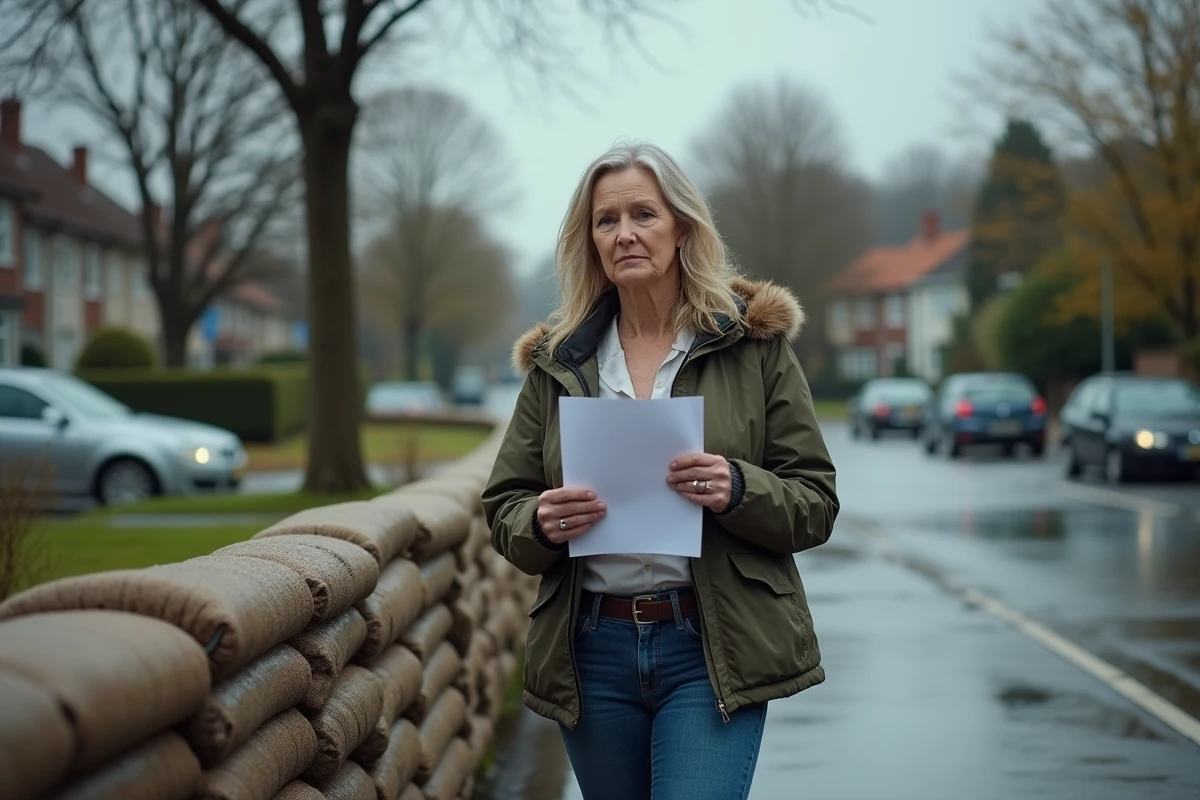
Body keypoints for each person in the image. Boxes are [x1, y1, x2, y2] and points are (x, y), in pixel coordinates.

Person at [482, 140, 838, 800]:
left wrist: (738, 488)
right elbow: (504, 505)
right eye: (606, 220)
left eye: (643, 214)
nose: (624, 234)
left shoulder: (752, 346)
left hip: (711, 646)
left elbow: (815, 502)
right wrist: (540, 519)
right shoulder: (558, 363)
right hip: (593, 652)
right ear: (589, 239)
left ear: (682, 226)